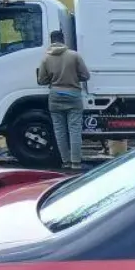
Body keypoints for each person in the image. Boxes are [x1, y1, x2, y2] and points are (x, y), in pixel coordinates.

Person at [36, 30, 91, 170]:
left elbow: (42, 80)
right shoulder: (74, 55)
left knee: (59, 130)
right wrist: (74, 77)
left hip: (55, 96)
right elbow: (86, 75)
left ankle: (65, 162)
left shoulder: (46, 59)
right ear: (63, 40)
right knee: (74, 130)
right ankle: (76, 163)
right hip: (73, 95)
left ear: (51, 41)